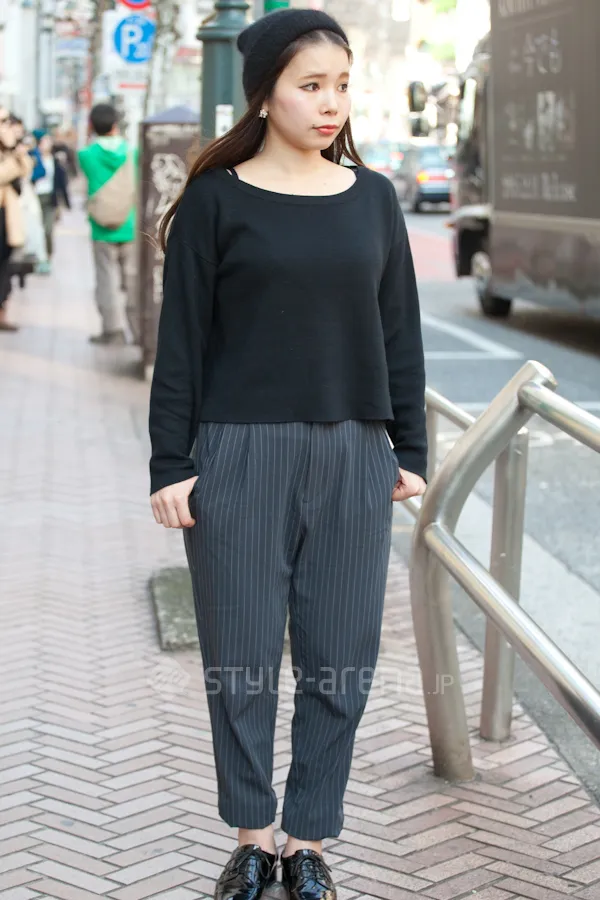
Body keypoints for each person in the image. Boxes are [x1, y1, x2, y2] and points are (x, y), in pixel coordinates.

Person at [148, 9, 427, 900]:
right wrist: (169, 464)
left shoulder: (374, 198)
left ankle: (306, 839)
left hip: (354, 454)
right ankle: (251, 836)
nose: (331, 102)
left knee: (341, 657)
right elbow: (182, 344)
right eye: (311, 85)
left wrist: (410, 447)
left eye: (341, 85)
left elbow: (399, 332)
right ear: (265, 95)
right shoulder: (215, 201)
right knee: (239, 662)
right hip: (238, 455)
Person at [78, 104, 135, 345]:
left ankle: (113, 331)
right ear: (115, 125)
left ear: (91, 126)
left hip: (101, 228)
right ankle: (139, 331)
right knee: (132, 280)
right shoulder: (132, 153)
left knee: (106, 280)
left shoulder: (86, 155)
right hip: (130, 225)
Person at [0, 110, 33, 331]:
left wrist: (16, 151)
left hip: (7, 216)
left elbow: (27, 168)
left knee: (5, 265)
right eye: (3, 122)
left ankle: (2, 312)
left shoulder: (10, 150)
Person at [29, 130, 70, 274]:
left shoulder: (54, 160)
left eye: (48, 141)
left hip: (49, 198)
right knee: (36, 230)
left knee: (48, 229)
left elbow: (61, 182)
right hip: (35, 197)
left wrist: (66, 202)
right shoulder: (33, 158)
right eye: (44, 141)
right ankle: (38, 259)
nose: (47, 144)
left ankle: (47, 257)